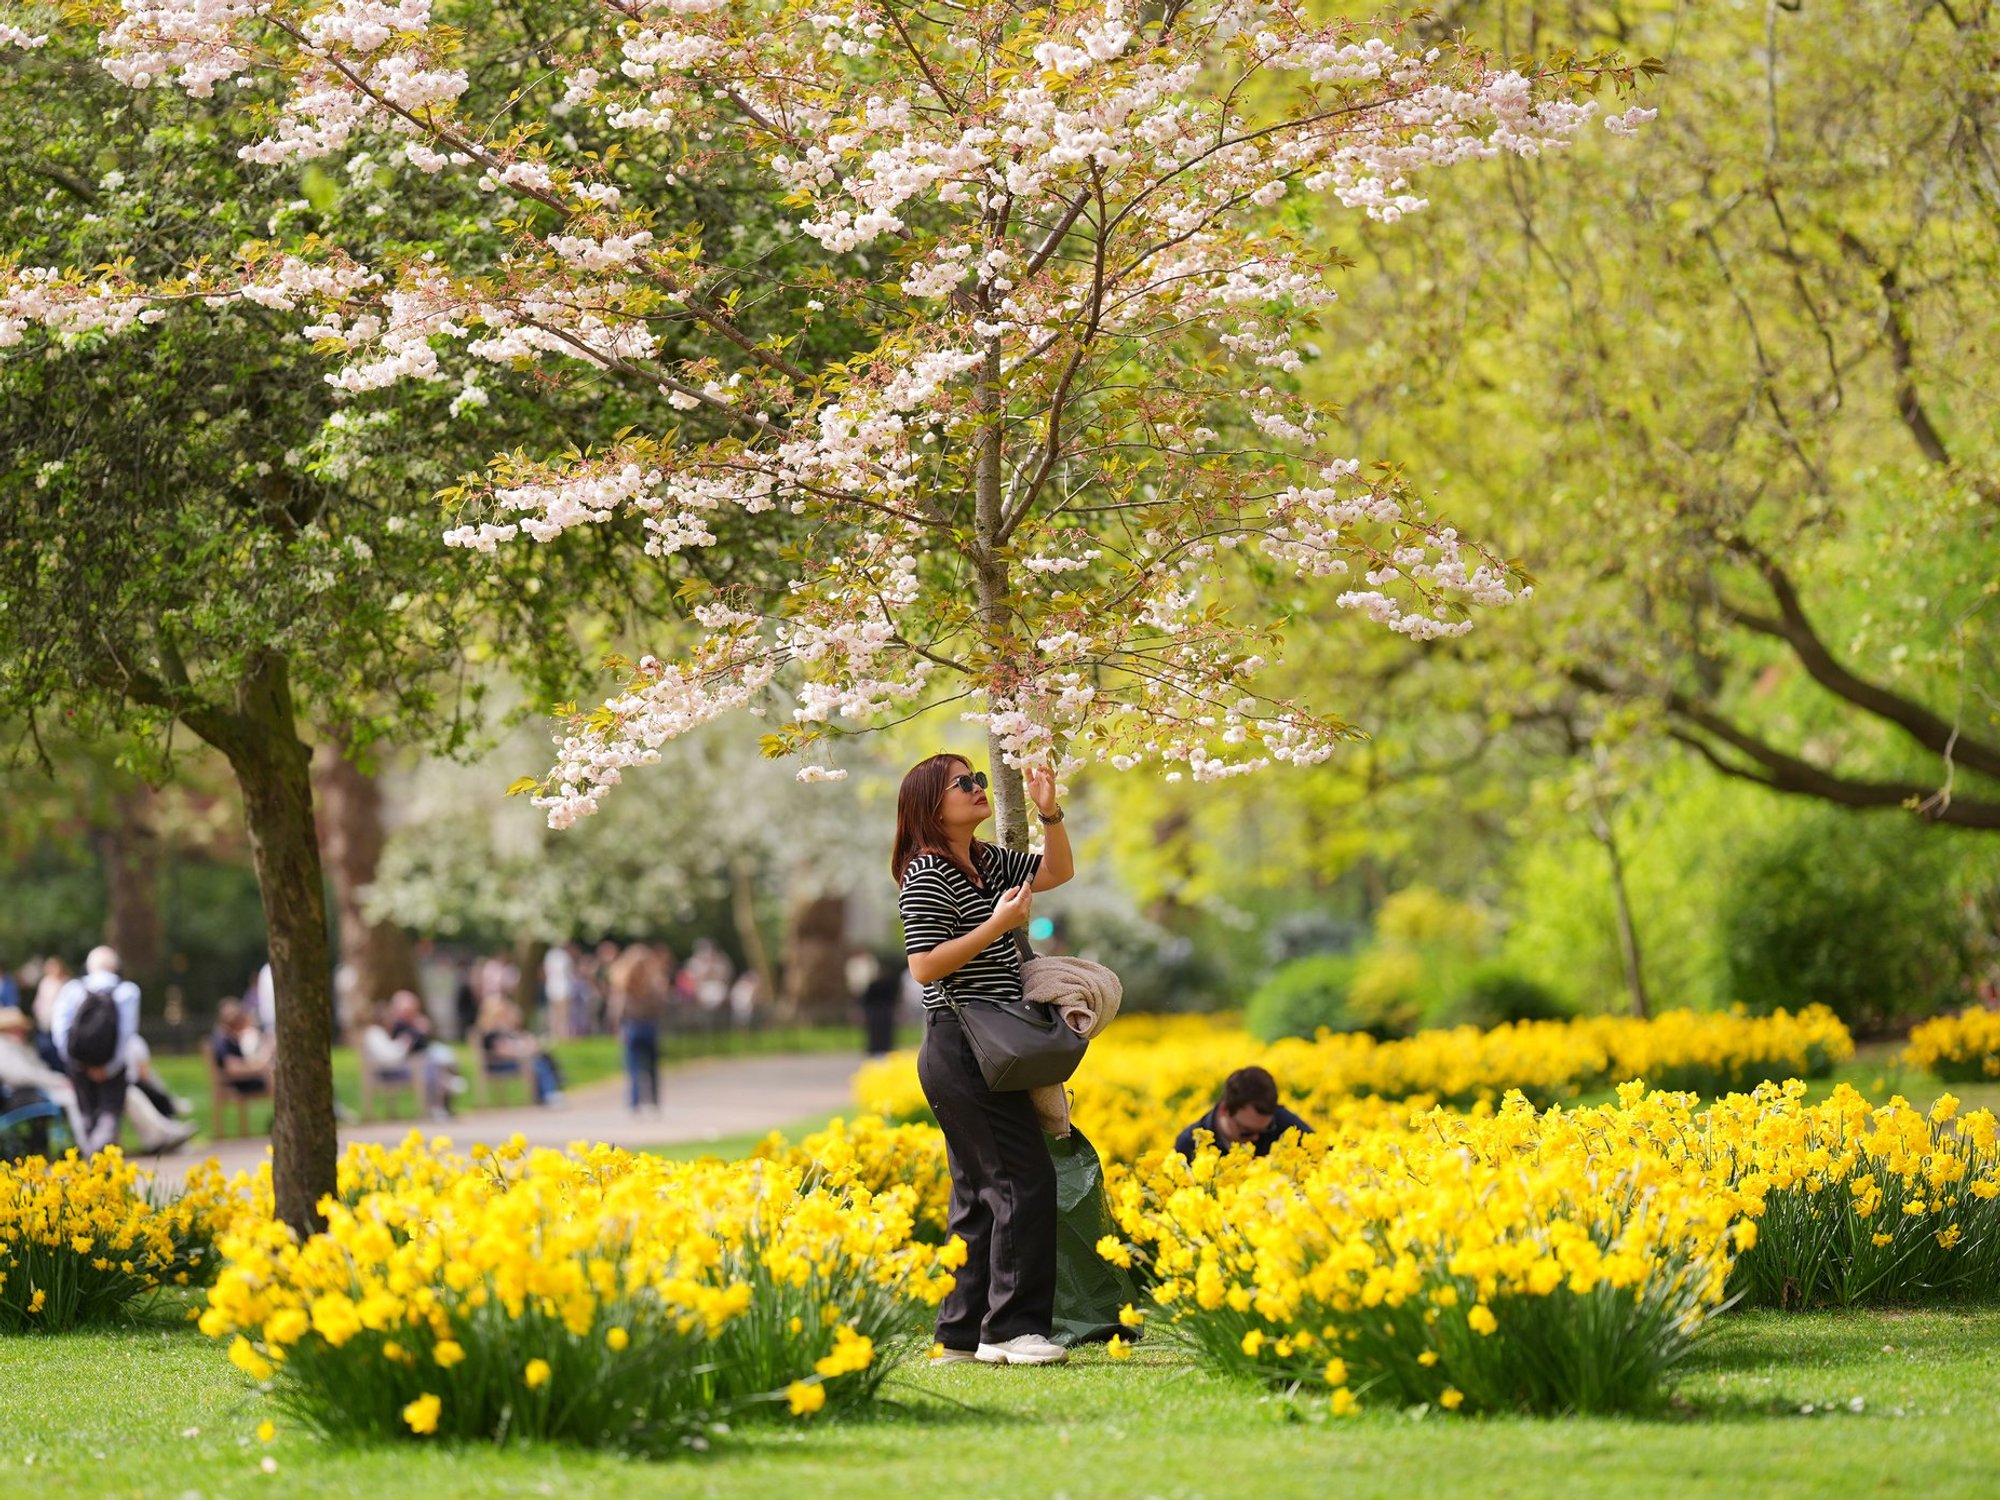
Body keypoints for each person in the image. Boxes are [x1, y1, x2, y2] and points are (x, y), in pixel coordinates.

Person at [895, 752, 1074, 1366]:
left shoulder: (987, 861)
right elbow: (924, 965)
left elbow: (1057, 872)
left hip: (992, 1043)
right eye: (963, 783)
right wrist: (998, 926)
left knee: (976, 1195)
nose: (977, 787)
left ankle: (960, 1334)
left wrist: (1049, 811)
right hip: (961, 1042)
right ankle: (1012, 1329)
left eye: (978, 779)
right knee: (1023, 1179)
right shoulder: (927, 872)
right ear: (930, 804)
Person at [1173, 1066, 1315, 1160]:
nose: (1256, 1138)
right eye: (1246, 1131)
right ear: (1224, 1110)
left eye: (1267, 1129)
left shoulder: (1282, 1123)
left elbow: (1320, 1152)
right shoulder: (1190, 1144)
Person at [0, 1004, 85, 1149]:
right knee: (71, 1098)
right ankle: (85, 1142)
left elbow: (40, 1069)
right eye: (18, 1028)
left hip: (38, 1091)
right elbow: (23, 1076)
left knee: (75, 1095)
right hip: (22, 1096)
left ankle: (84, 1140)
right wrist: (57, 1081)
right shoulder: (4, 1049)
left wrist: (58, 1080)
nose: (22, 1032)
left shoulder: (22, 1047)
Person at [607, 943, 671, 1115]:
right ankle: (653, 1101)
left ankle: (635, 1102)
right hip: (649, 1026)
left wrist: (617, 1027)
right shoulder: (655, 983)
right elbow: (661, 1006)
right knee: (652, 1067)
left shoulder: (623, 983)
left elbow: (617, 1009)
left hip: (633, 1026)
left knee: (633, 1067)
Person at [384, 988, 465, 1119]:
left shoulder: (413, 1022)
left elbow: (425, 1041)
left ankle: (450, 1083)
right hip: (413, 1062)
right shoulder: (398, 1025)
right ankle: (442, 1095)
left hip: (425, 1057)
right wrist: (419, 1030)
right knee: (435, 1071)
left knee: (445, 1058)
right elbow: (405, 1045)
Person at [474, 994, 565, 1105]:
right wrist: (521, 1052)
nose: (503, 1018)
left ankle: (547, 1093)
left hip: (514, 1061)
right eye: (501, 1015)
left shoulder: (504, 1031)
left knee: (540, 1059)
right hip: (499, 1064)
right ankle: (548, 1093)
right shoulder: (490, 1034)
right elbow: (501, 1050)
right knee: (537, 1063)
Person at [210, 998, 274, 1099]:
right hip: (238, 1082)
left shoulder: (230, 1037)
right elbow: (232, 1068)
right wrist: (260, 1068)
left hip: (244, 1079)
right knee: (274, 1076)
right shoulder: (222, 1040)